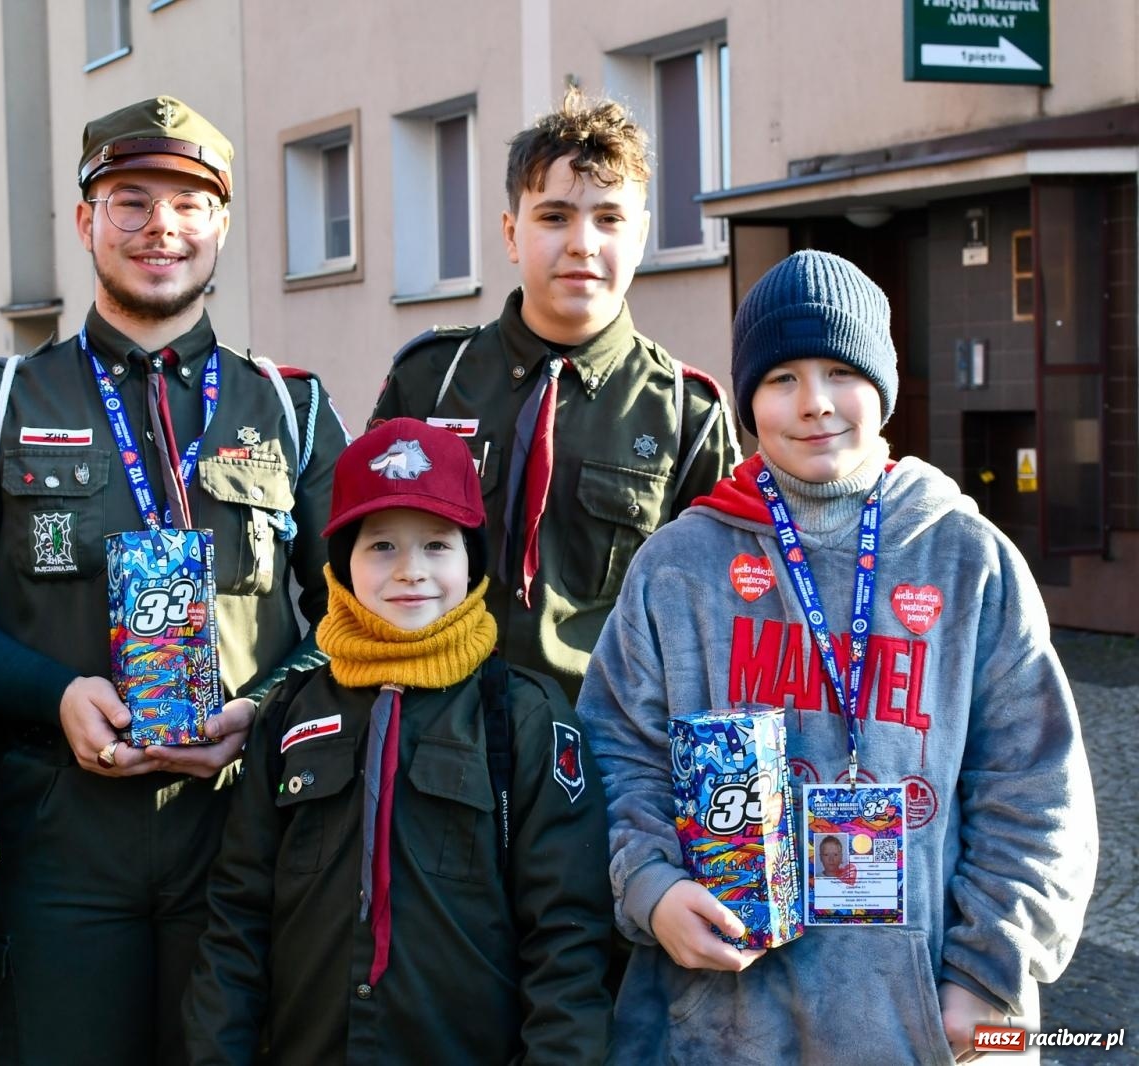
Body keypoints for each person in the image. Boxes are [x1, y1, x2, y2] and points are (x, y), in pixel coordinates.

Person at [0, 94, 347, 1066]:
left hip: (240, 835)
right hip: (56, 839)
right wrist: (56, 695)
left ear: (221, 225)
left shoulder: (289, 408)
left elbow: (356, 612)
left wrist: (260, 708)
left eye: (188, 203)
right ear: (86, 220)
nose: (160, 227)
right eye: (131, 201)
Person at [578, 250, 1097, 1063]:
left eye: (840, 372)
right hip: (714, 1030)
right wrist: (652, 887)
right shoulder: (678, 568)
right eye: (782, 378)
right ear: (748, 400)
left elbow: (1034, 786)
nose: (814, 402)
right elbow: (616, 755)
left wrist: (988, 976)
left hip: (924, 1026)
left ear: (883, 385)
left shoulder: (968, 561)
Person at [184, 417, 613, 1064]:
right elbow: (236, 921)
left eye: (437, 545)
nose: (411, 571)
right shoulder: (290, 713)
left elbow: (567, 943)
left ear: (471, 559)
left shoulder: (525, 717)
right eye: (381, 545)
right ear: (342, 565)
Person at [371, 86, 739, 700]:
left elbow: (717, 611)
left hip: (602, 736)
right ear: (511, 233)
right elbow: (361, 560)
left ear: (641, 236)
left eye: (609, 218)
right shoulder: (431, 380)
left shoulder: (686, 412)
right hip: (434, 719)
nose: (582, 243)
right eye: (554, 216)